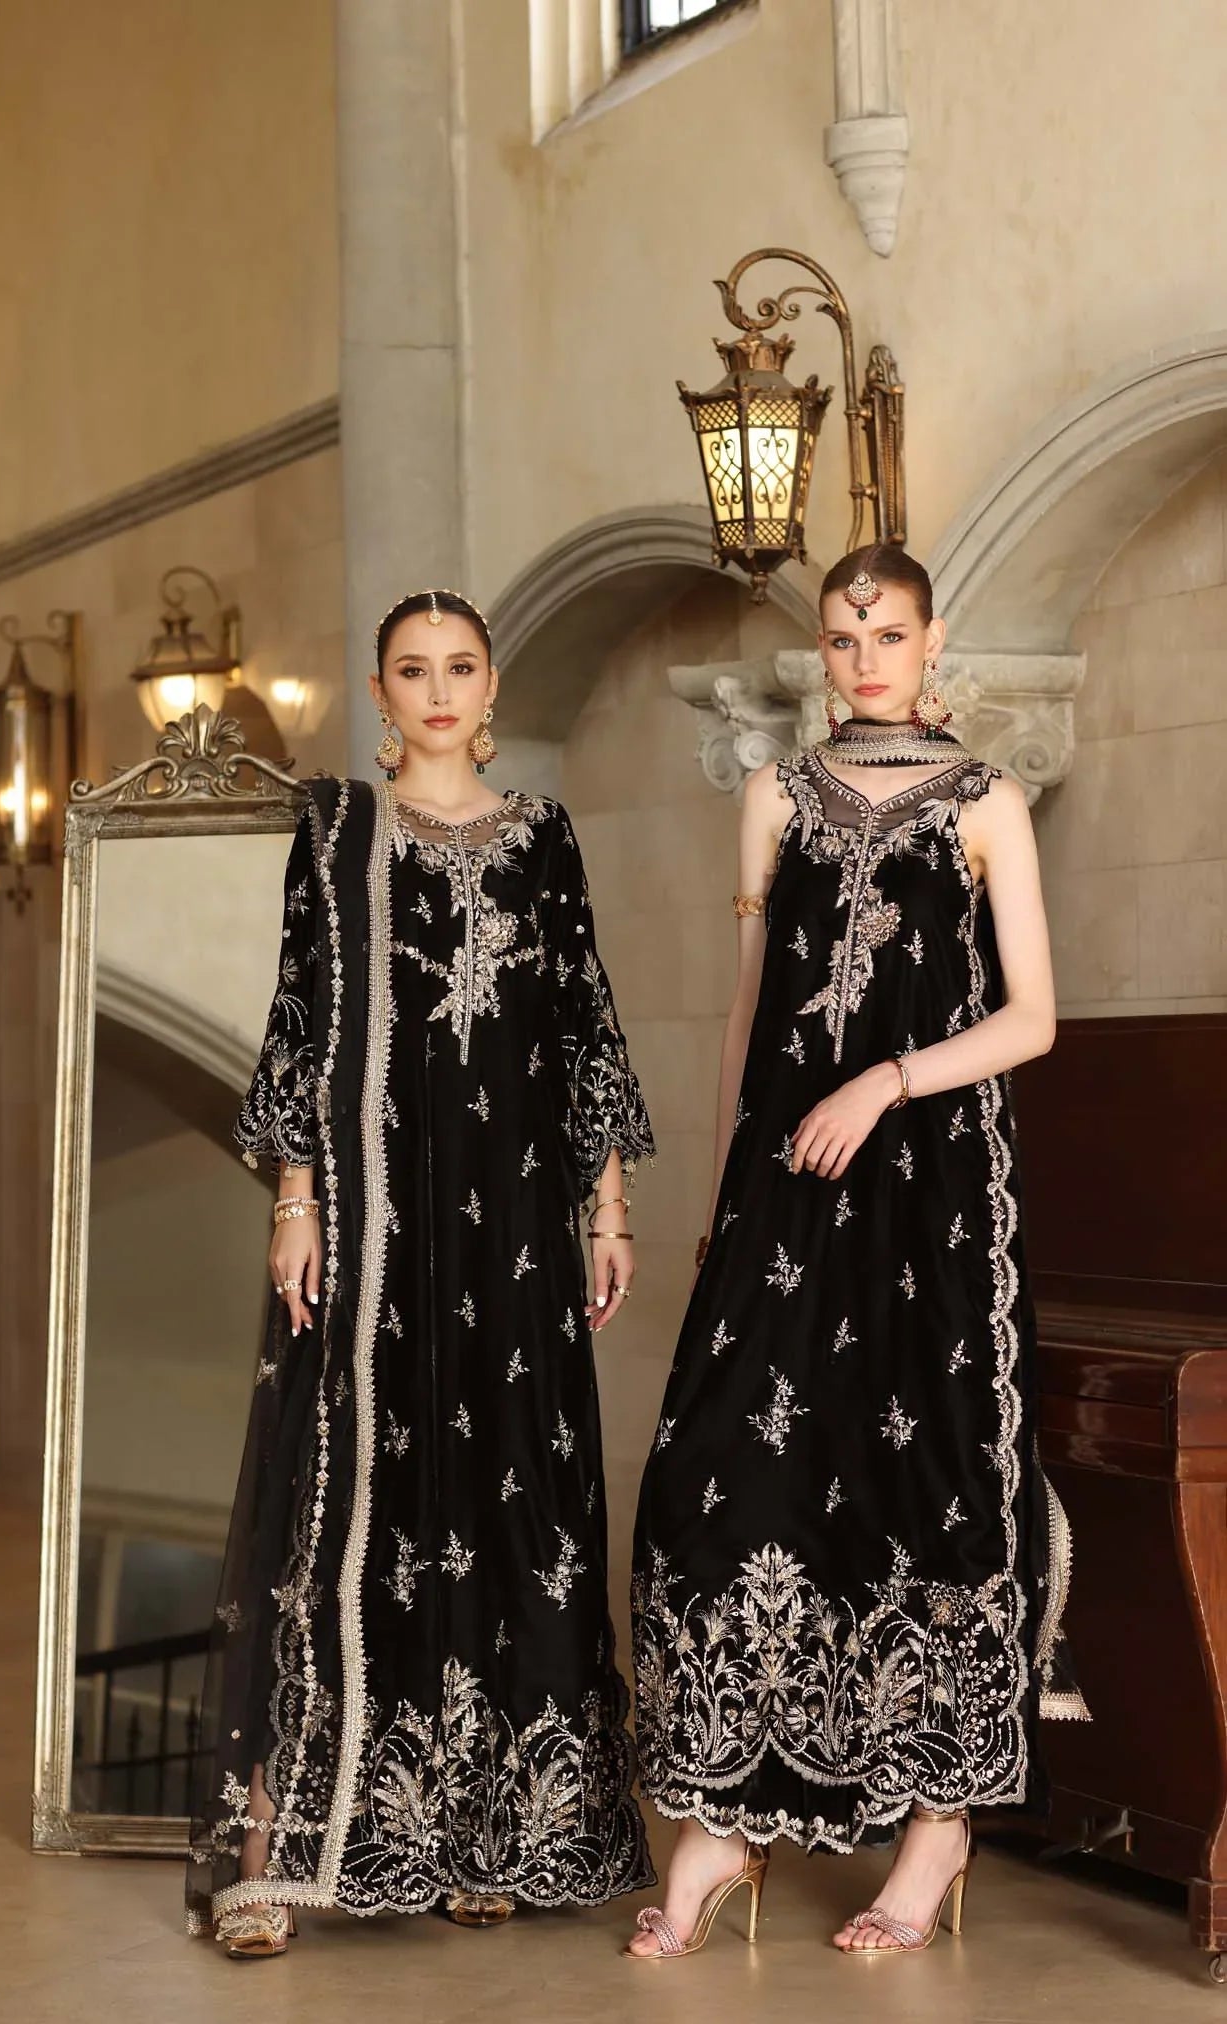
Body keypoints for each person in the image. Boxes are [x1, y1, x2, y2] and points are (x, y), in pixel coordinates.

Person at [628, 544, 1088, 1962]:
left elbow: (1032, 1020)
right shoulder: (773, 796)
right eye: (842, 637)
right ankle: (724, 1818)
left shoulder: (987, 801)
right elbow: (749, 1008)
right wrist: (726, 1191)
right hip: (783, 1188)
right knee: (720, 1470)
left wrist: (883, 1083)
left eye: (888, 634)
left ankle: (936, 1825)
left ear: (932, 641)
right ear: (821, 650)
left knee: (920, 1473)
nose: (865, 658)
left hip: (930, 1190)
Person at [186, 589, 655, 1955]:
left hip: (515, 1224)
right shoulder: (335, 832)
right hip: (379, 1213)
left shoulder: (544, 836)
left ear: (490, 687)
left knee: (513, 1488)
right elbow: (298, 1018)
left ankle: (483, 1830)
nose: (439, 690)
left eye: (460, 667)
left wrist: (606, 1209)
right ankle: (285, 1842)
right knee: (355, 1496)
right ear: (380, 693)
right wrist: (294, 1199)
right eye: (412, 669)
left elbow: (584, 1023)